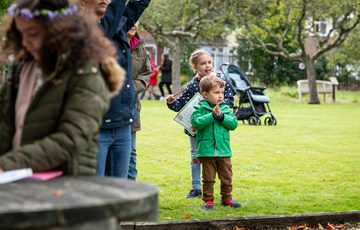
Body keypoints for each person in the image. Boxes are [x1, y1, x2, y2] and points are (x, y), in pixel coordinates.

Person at [0, 0, 125, 175]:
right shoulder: (21, 69)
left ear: (59, 30)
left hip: (66, 187)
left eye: (33, 33)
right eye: (21, 34)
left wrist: (8, 164)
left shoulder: (86, 72)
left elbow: (72, 136)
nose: (25, 42)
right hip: (18, 180)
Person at [81, 0, 151, 178]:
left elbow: (136, 6)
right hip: (98, 127)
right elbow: (106, 28)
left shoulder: (117, 26)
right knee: (95, 192)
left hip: (122, 125)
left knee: (117, 191)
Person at [166, 49, 234, 198]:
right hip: (196, 129)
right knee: (195, 156)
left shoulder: (221, 81)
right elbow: (181, 105)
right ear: (195, 68)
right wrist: (171, 102)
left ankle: (223, 192)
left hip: (215, 128)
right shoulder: (192, 85)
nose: (208, 65)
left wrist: (219, 110)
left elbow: (229, 101)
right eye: (203, 63)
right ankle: (196, 187)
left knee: (216, 158)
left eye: (209, 62)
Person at [190, 75, 240, 210]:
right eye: (216, 92)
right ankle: (208, 200)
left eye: (222, 92)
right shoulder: (199, 108)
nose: (220, 96)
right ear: (205, 94)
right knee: (208, 178)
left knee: (227, 177)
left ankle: (227, 198)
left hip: (224, 150)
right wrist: (212, 115)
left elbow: (233, 124)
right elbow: (196, 122)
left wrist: (221, 117)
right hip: (206, 151)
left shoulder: (225, 109)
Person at [126, 22, 151, 180]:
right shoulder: (112, 40)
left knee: (132, 152)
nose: (134, 23)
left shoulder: (140, 46)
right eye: (131, 19)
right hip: (112, 105)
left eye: (137, 20)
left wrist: (130, 87)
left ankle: (130, 186)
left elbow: (146, 73)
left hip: (132, 106)